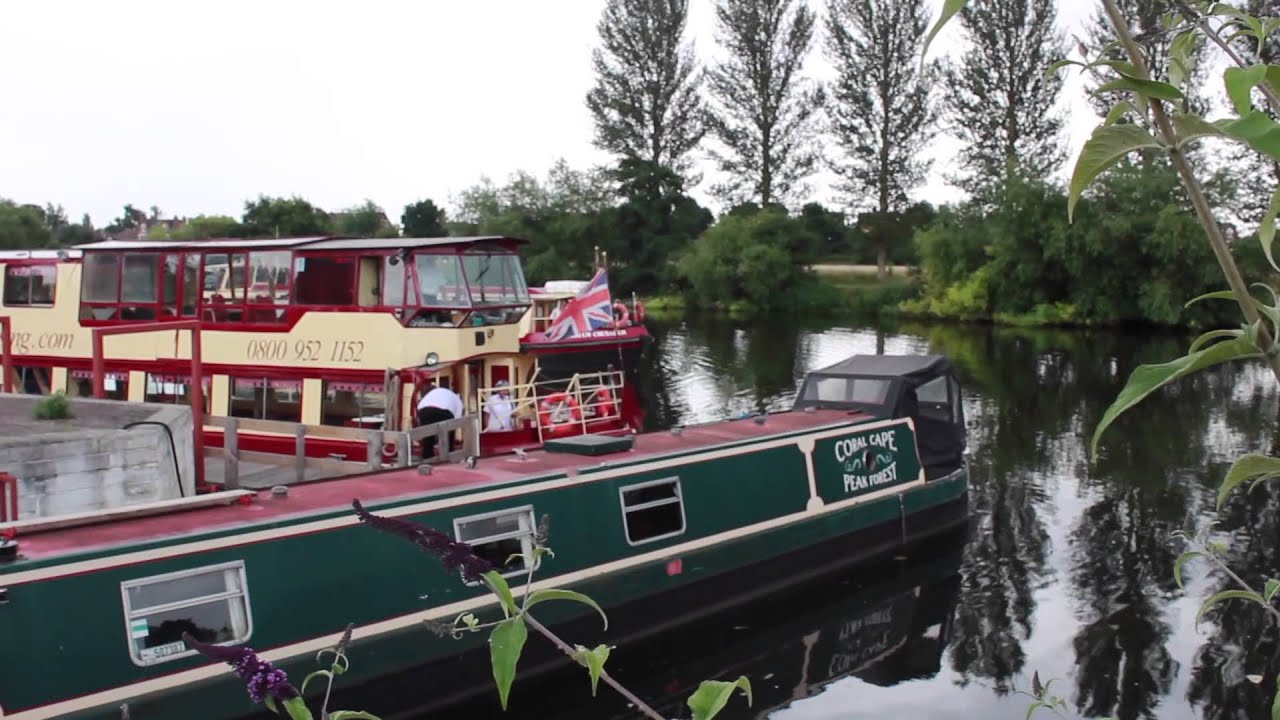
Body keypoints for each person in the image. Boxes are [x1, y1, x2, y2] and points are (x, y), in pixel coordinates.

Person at [416, 380, 464, 459]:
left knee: (427, 435)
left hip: (423, 409)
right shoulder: (457, 400)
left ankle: (427, 456)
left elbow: (420, 407)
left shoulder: (435, 393)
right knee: (448, 433)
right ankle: (448, 454)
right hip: (443, 410)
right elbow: (456, 419)